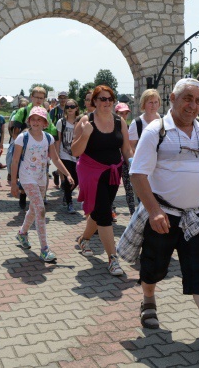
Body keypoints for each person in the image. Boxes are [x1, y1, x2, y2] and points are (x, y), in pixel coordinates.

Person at [122, 78, 199, 353]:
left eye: (198, 100)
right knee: (153, 265)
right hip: (163, 214)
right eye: (187, 98)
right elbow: (137, 174)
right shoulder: (157, 131)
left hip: (197, 214)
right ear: (173, 98)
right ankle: (149, 301)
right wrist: (153, 211)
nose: (193, 105)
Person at [72, 85, 132, 276]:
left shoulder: (119, 121)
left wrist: (135, 166)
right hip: (91, 173)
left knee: (99, 213)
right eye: (102, 99)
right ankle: (113, 259)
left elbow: (126, 149)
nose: (107, 102)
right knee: (105, 214)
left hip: (113, 172)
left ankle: (84, 239)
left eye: (110, 99)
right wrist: (86, 134)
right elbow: (75, 151)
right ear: (95, 101)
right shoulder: (85, 121)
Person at [11, 107, 74, 262]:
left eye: (39, 119)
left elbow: (56, 158)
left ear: (45, 122)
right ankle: (44, 249)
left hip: (41, 179)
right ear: (29, 121)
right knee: (40, 209)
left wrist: (67, 174)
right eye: (33, 119)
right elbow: (15, 160)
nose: (36, 122)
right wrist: (13, 183)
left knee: (33, 209)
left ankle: (22, 233)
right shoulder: (22, 137)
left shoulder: (48, 138)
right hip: (27, 178)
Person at [8, 87, 57, 209]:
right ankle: (23, 193)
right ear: (31, 97)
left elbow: (50, 129)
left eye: (41, 98)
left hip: (41, 149)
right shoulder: (23, 111)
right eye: (36, 97)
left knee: (43, 171)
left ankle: (41, 196)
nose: (39, 100)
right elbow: (15, 130)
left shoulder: (45, 112)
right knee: (23, 172)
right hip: (24, 149)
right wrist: (19, 145)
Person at [56, 98, 80, 213]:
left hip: (76, 155)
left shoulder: (80, 121)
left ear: (76, 108)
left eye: (72, 106)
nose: (70, 109)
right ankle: (70, 203)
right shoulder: (61, 122)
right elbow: (58, 140)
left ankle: (67, 193)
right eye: (67, 107)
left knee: (77, 179)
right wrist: (56, 155)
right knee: (68, 177)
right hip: (64, 154)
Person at [115, 102, 136, 215]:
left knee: (129, 189)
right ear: (116, 113)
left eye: (125, 113)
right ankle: (111, 209)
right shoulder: (110, 128)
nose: (123, 116)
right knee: (112, 187)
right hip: (112, 163)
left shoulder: (129, 128)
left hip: (125, 162)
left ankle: (133, 213)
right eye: (120, 113)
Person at [49, 91, 69, 188]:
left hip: (68, 137)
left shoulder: (69, 109)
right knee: (59, 158)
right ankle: (63, 181)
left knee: (67, 160)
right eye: (61, 98)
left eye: (64, 97)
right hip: (57, 137)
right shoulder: (54, 110)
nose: (63, 99)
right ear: (58, 98)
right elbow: (50, 123)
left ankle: (57, 173)